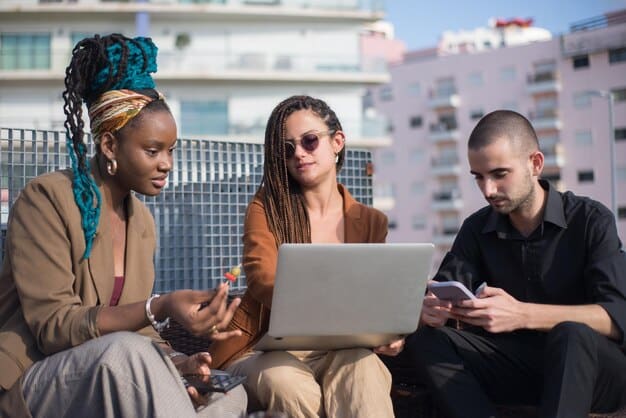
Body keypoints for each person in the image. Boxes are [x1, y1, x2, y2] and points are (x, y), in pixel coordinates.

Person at [0, 34, 247, 417]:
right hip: (34, 379)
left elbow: (142, 332)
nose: (166, 163)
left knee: (230, 393)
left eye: (170, 150)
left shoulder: (142, 222)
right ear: (110, 146)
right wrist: (161, 305)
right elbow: (53, 328)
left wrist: (179, 364)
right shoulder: (46, 199)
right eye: (152, 150)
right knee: (123, 354)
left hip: (111, 368)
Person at [405, 110, 626, 417]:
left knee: (572, 335)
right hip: (518, 367)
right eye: (479, 177)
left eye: (499, 174)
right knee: (426, 340)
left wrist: (522, 314)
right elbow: (444, 291)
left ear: (535, 164)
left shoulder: (591, 219)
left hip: (594, 371)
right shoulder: (476, 228)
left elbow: (617, 317)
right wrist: (429, 311)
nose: (488, 190)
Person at [209, 95, 404, 418]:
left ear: (337, 141)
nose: (299, 153)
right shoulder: (266, 209)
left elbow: (374, 293)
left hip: (342, 347)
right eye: (287, 149)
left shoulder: (371, 222)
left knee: (367, 371)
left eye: (309, 141)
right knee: (286, 384)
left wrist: (388, 332)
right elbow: (262, 279)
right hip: (266, 346)